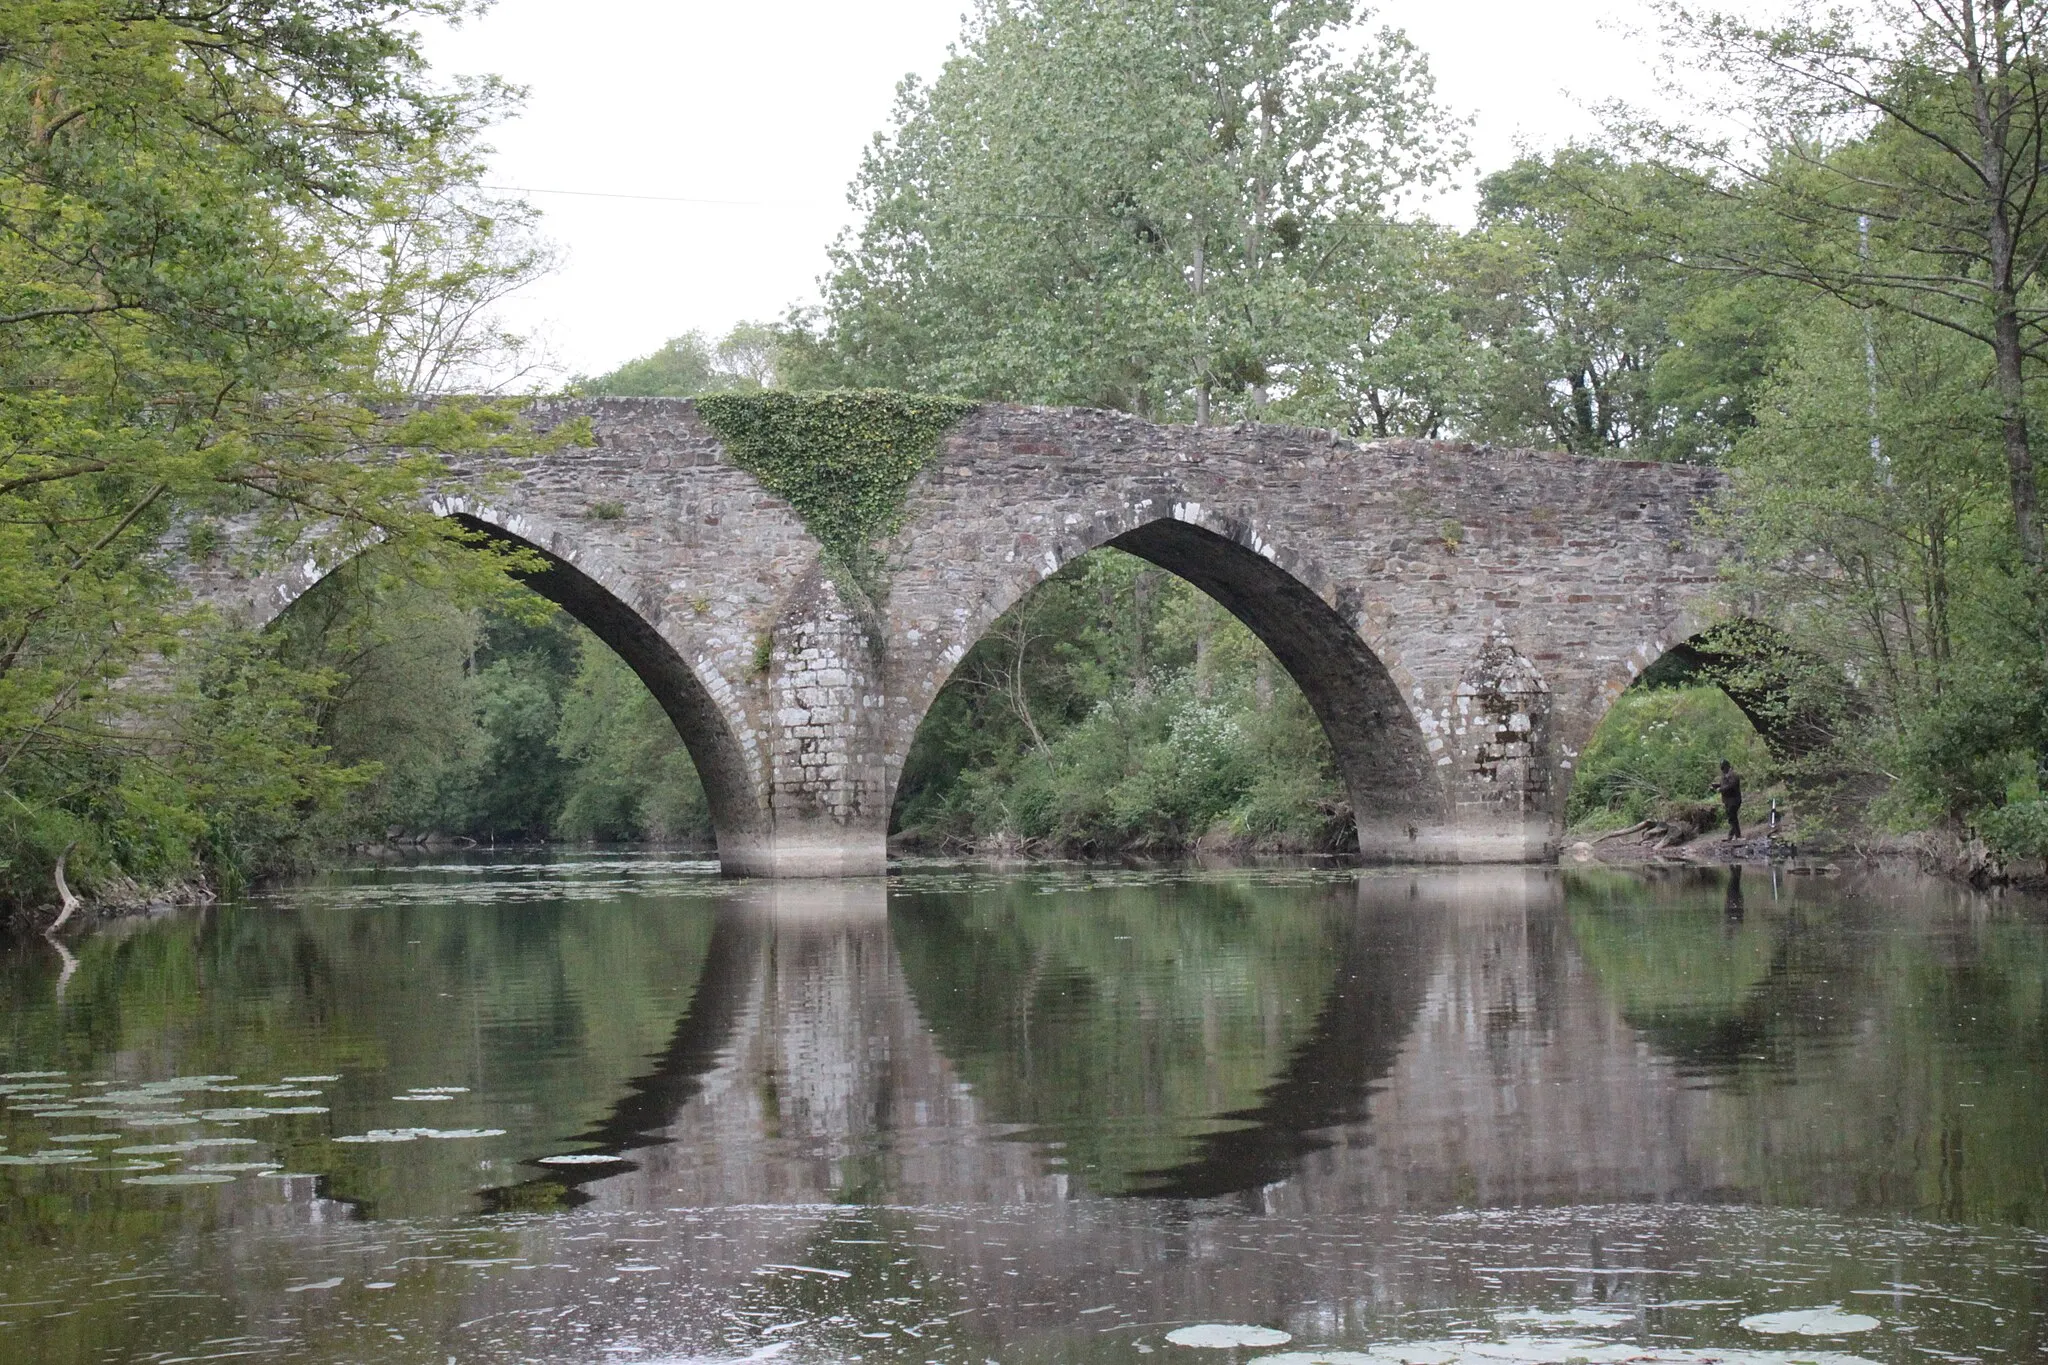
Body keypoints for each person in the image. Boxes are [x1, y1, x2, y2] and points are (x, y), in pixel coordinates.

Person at [1711, 758, 1743, 840]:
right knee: (1731, 818)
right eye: (1721, 768)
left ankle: (1737, 836)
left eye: (1723, 767)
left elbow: (1731, 786)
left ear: (1727, 766)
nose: (1722, 770)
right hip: (1728, 801)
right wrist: (1716, 785)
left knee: (1733, 818)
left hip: (1734, 800)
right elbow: (1724, 784)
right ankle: (1732, 835)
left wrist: (1721, 789)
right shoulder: (1725, 775)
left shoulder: (1733, 775)